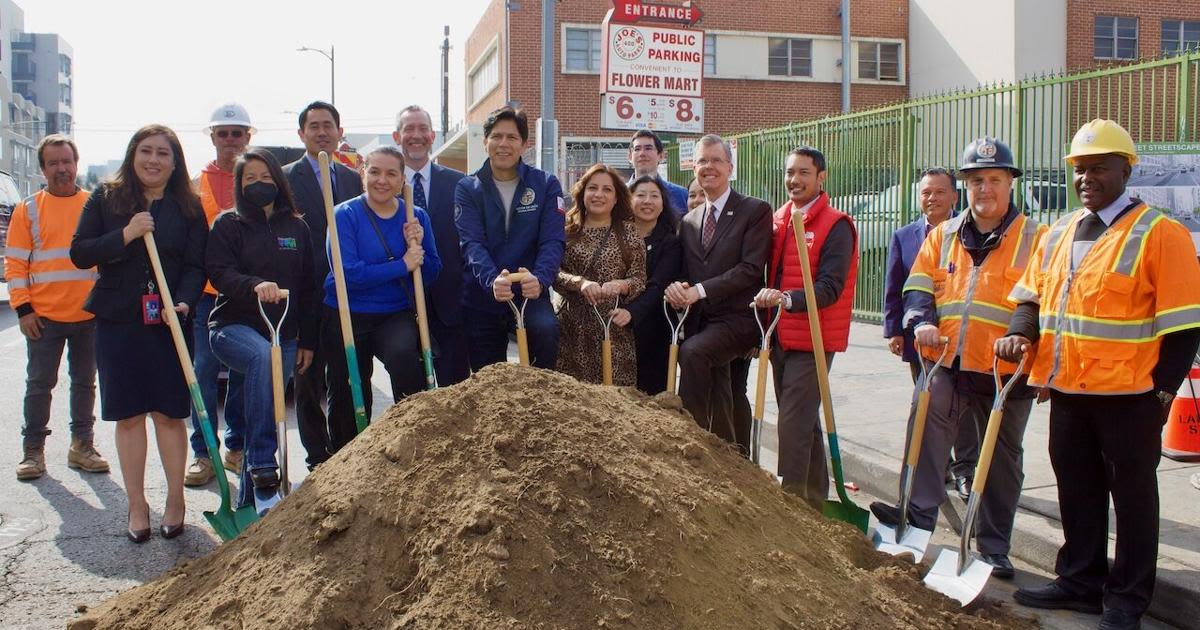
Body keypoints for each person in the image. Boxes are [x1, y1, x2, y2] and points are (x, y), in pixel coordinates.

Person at [1000, 120, 1200, 630]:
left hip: (1130, 397)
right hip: (1066, 391)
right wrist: (1022, 333)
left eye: (1099, 168)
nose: (1087, 178)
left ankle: (1128, 600)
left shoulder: (1161, 234)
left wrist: (1162, 395)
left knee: (1132, 503)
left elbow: (1184, 326)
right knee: (1077, 489)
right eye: (1080, 169)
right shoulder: (1059, 231)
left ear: (1126, 171)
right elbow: (1031, 296)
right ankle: (1080, 581)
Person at [869, 137, 1045, 580]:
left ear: (1010, 184)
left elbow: (1043, 299)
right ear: (965, 186)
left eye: (994, 180)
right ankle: (918, 519)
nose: (984, 189)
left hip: (1006, 370)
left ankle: (993, 546)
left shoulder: (1036, 239)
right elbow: (917, 285)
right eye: (975, 181)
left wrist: (1023, 342)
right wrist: (918, 319)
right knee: (925, 427)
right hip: (947, 359)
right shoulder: (943, 235)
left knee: (1001, 458)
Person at [70, 124, 208, 543]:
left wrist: (182, 301)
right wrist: (126, 234)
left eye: (163, 153)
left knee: (169, 414)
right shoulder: (107, 199)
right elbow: (80, 252)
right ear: (133, 155)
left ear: (174, 160)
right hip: (119, 321)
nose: (153, 160)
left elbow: (196, 265)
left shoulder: (188, 206)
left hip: (168, 322)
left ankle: (175, 500)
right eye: (146, 151)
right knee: (129, 415)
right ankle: (136, 503)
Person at [205, 148, 318, 512]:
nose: (258, 184)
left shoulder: (297, 228)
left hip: (283, 331)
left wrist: (307, 339)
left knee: (267, 402)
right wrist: (254, 284)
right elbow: (220, 272)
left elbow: (310, 285)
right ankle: (263, 465)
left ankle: (249, 502)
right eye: (249, 178)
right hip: (232, 326)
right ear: (239, 185)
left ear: (279, 182)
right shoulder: (228, 224)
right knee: (260, 356)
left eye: (266, 177)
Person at [753, 147, 858, 510]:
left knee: (793, 422)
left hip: (813, 337)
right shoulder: (779, 218)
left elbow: (831, 287)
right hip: (779, 334)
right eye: (789, 173)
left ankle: (790, 503)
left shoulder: (836, 224)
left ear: (821, 177)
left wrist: (787, 300)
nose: (794, 180)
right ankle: (816, 500)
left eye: (803, 173)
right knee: (804, 421)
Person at [323, 146, 441, 453]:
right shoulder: (344, 216)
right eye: (375, 171)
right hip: (347, 312)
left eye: (391, 173)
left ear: (403, 179)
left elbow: (430, 275)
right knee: (348, 386)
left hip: (394, 312)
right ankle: (344, 456)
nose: (382, 180)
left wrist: (417, 249)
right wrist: (401, 264)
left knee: (405, 362)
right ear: (363, 173)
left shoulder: (416, 216)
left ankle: (409, 444)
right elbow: (347, 274)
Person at [7, 134, 108, 481]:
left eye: (66, 161)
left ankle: (83, 445)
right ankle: (32, 452)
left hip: (88, 315)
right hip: (44, 318)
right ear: (43, 169)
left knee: (85, 384)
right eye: (54, 163)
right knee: (39, 384)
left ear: (76, 164)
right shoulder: (29, 210)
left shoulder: (94, 204)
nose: (61, 169)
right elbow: (16, 264)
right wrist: (23, 310)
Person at [665, 134, 772, 450]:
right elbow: (685, 274)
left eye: (715, 160)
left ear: (730, 167)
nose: (708, 167)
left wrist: (699, 291)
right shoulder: (689, 221)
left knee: (695, 353)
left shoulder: (754, 211)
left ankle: (694, 442)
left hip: (738, 320)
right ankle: (733, 454)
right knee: (722, 388)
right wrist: (679, 289)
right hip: (700, 321)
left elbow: (751, 269)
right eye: (701, 161)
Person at [884, 167, 978, 500]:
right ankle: (941, 467)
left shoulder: (971, 233)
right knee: (928, 405)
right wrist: (893, 329)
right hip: (919, 339)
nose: (932, 199)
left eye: (939, 192)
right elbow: (896, 286)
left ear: (955, 196)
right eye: (926, 193)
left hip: (958, 340)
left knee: (962, 410)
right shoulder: (904, 236)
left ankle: (967, 468)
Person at [284, 101, 364, 469]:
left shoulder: (350, 179)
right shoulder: (285, 178)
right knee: (306, 378)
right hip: (302, 291)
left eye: (327, 125)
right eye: (313, 126)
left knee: (343, 375)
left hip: (342, 292)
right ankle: (317, 455)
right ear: (301, 134)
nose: (321, 132)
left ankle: (343, 449)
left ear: (339, 131)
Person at [455, 106, 565, 370]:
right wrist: (492, 280)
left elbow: (553, 240)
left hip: (531, 292)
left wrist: (540, 279)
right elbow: (471, 244)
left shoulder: (546, 184)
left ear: (524, 144)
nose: (503, 144)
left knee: (546, 334)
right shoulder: (468, 188)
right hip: (483, 296)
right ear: (485, 142)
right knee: (488, 378)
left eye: (512, 137)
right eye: (496, 136)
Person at [184, 102, 252, 487]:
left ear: (248, 136)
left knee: (243, 372)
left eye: (237, 132)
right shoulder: (195, 186)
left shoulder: (257, 179)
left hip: (246, 294)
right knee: (204, 371)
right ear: (212, 137)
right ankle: (203, 452)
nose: (230, 139)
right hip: (209, 296)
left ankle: (236, 447)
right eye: (223, 133)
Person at [394, 105, 469, 386]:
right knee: (411, 397)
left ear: (432, 135)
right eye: (408, 129)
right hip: (402, 307)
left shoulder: (459, 183)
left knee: (455, 392)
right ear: (396, 136)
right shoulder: (384, 186)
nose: (416, 135)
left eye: (422, 128)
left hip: (451, 305)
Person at [554, 164, 646, 385]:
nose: (598, 194)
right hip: (571, 329)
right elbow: (552, 272)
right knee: (574, 401)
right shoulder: (564, 229)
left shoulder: (629, 231)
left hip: (613, 328)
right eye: (592, 188)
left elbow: (640, 279)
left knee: (616, 400)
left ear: (616, 198)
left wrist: (621, 285)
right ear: (582, 193)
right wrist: (580, 283)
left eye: (607, 190)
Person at [616, 175, 682, 394]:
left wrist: (632, 312)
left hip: (654, 326)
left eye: (654, 196)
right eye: (641, 195)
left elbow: (658, 285)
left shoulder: (670, 242)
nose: (648, 201)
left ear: (663, 203)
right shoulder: (617, 236)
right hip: (614, 322)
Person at [627, 129, 688, 216]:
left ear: (661, 156)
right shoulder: (618, 194)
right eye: (637, 149)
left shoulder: (681, 195)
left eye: (648, 148)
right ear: (629, 156)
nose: (642, 153)